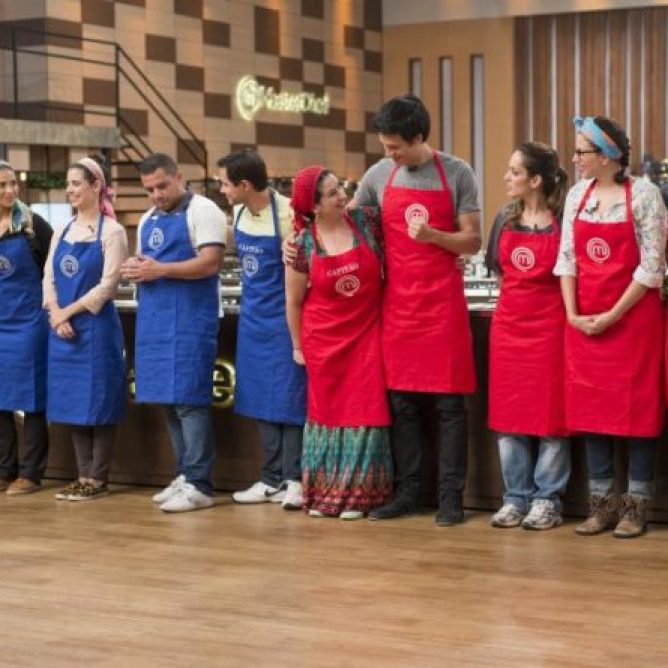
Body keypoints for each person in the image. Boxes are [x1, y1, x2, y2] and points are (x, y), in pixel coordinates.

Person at [353, 95, 481, 525]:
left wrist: (433, 237)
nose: (389, 154)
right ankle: (407, 492)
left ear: (419, 137)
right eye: (385, 147)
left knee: (450, 408)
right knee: (402, 405)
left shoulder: (458, 172)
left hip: (442, 306)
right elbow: (351, 225)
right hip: (398, 306)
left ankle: (450, 498)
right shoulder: (377, 175)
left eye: (395, 147)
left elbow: (473, 241)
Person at [555, 115, 667, 538]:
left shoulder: (645, 195)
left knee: (638, 414)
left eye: (580, 151)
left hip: (633, 322)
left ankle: (636, 508)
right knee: (592, 412)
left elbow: (652, 267)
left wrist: (612, 315)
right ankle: (600, 506)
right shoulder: (577, 195)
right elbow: (567, 258)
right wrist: (572, 313)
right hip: (585, 321)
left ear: (605, 156)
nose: (574, 158)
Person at [285, 166, 392, 519]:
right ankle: (323, 493)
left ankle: (361, 496)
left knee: (366, 410)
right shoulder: (301, 244)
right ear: (314, 206)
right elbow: (293, 301)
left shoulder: (367, 222)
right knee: (327, 414)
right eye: (332, 193)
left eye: (341, 188)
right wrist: (298, 346)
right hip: (323, 341)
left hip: (367, 334)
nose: (343, 196)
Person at [121, 153, 225, 513]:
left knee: (189, 401)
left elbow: (210, 263)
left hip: (191, 321)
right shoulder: (147, 218)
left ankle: (200, 484)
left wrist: (160, 270)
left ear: (179, 177)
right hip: (155, 321)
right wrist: (134, 267)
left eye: (162, 186)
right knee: (167, 400)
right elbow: (146, 262)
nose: (156, 195)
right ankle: (183, 474)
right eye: (149, 189)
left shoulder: (204, 210)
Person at [485, 143, 571, 530]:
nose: (507, 177)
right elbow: (500, 273)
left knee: (552, 417)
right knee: (509, 416)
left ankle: (547, 499)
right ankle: (515, 497)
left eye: (515, 171)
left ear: (535, 180)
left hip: (551, 329)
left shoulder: (564, 220)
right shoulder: (504, 218)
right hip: (509, 329)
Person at [217, 150, 306, 510]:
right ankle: (270, 479)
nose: (222, 190)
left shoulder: (289, 214)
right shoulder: (238, 212)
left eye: (225, 184)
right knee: (259, 400)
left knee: (291, 400)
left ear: (244, 185)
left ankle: (294, 480)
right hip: (253, 320)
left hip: (285, 320)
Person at [44, 155, 128, 501]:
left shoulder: (113, 232)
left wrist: (68, 313)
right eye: (68, 184)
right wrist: (55, 313)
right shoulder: (62, 229)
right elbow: (48, 277)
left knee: (100, 403)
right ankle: (82, 476)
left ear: (96, 186)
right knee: (73, 403)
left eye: (76, 183)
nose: (70, 190)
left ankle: (98, 479)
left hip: (96, 329)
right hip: (62, 331)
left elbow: (108, 285)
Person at [0, 160, 52, 495]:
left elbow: (54, 270)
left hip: (30, 322)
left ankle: (31, 473)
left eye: (12, 184)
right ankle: (4, 469)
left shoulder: (33, 225)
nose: (9, 191)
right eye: (2, 186)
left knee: (32, 399)